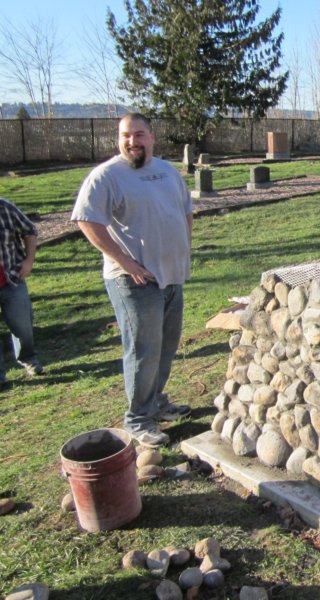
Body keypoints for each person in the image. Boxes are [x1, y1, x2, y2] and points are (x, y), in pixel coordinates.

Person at [72, 113, 193, 448]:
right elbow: (87, 220)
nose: (132, 142)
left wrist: (183, 249)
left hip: (170, 276)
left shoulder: (167, 172)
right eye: (126, 135)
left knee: (166, 347)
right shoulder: (107, 176)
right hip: (134, 281)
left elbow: (184, 210)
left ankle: (156, 403)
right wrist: (124, 261)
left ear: (152, 137)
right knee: (143, 351)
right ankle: (138, 419)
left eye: (139, 135)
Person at [0, 197, 44, 388]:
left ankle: (28, 359)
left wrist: (29, 261)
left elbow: (30, 231)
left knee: (22, 325)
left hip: (11, 278)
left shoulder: (5, 207)